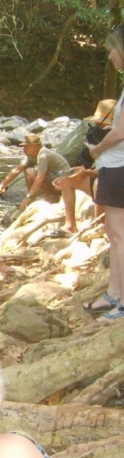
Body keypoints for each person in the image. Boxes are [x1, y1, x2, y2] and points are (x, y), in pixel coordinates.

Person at [84, 24, 124, 321]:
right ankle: (113, 294)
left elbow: (121, 133)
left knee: (119, 236)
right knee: (113, 234)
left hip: (118, 167)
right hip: (115, 167)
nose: (110, 55)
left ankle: (121, 301)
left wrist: (96, 150)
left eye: (112, 49)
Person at [52, 99, 114, 235]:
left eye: (101, 123)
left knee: (99, 183)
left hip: (114, 185)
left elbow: (113, 172)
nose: (97, 125)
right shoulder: (98, 135)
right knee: (67, 180)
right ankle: (70, 226)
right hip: (102, 177)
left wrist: (87, 173)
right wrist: (79, 174)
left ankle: (99, 226)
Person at [0, 134, 70, 211]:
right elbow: (17, 170)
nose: (24, 149)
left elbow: (40, 177)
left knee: (33, 172)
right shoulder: (30, 156)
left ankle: (51, 197)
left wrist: (28, 196)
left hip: (63, 182)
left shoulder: (43, 155)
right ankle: (32, 199)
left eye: (26, 146)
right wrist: (3, 184)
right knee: (28, 170)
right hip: (54, 181)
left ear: (34, 146)